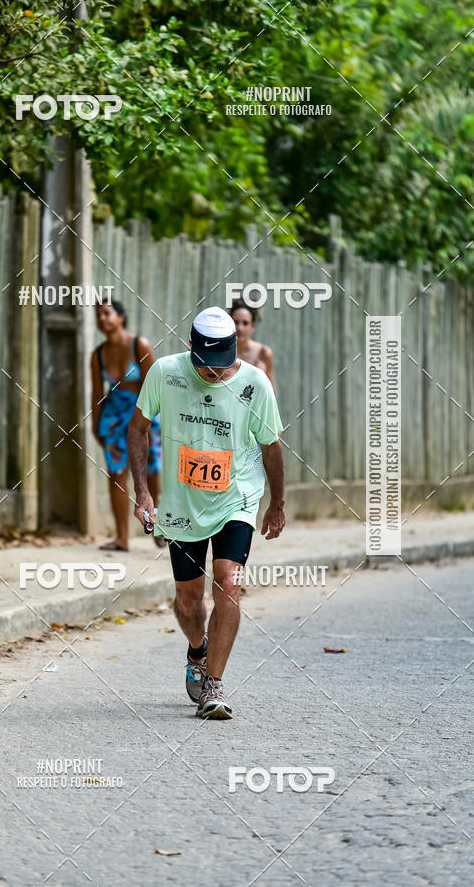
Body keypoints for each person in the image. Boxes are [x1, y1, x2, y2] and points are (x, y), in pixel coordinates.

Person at [128, 306, 285, 719]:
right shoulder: (165, 373)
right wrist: (144, 493)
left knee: (228, 583)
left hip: (237, 497)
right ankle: (197, 651)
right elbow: (138, 428)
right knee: (189, 597)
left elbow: (271, 446)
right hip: (182, 503)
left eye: (221, 366)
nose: (214, 374)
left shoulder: (255, 383)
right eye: (206, 366)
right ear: (192, 350)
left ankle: (213, 685)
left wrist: (277, 504)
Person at [91, 299, 164, 551]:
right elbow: (96, 393)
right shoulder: (98, 355)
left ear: (121, 317)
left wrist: (154, 422)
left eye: (107, 313)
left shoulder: (138, 345)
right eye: (98, 315)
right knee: (116, 473)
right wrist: (96, 423)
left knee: (151, 471)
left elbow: (155, 384)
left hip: (143, 412)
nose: (102, 319)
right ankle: (122, 537)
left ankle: (156, 523)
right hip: (114, 416)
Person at [229, 299, 275, 390]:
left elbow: (270, 392)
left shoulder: (263, 354)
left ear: (253, 326)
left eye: (245, 323)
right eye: (236, 322)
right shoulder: (220, 352)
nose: (240, 328)